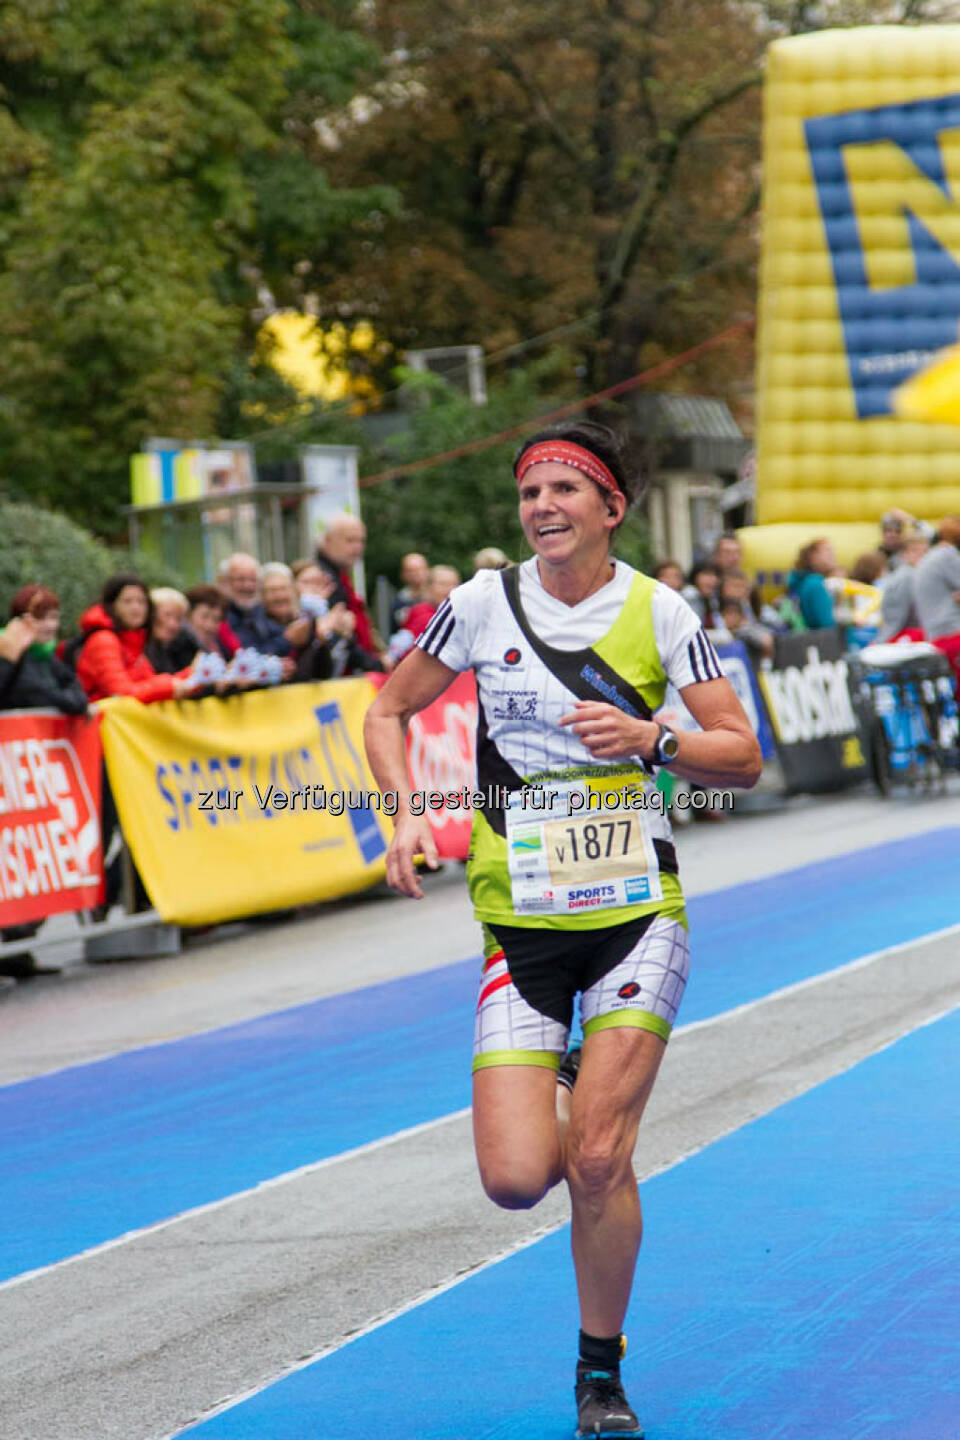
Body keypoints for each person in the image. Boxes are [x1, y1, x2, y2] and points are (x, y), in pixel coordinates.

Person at [364, 420, 761, 1440]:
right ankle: (574, 1067)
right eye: (529, 492)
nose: (542, 506)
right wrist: (406, 812)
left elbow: (741, 754)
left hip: (636, 912)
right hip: (520, 921)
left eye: (563, 491)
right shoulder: (476, 605)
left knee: (596, 1160)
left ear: (610, 508)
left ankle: (599, 1373)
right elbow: (386, 710)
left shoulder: (662, 612)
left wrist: (651, 738)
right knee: (514, 1180)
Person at [75, 574, 194, 703]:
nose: (136, 607)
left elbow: (148, 683)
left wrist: (193, 674)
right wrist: (171, 686)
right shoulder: (104, 640)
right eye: (127, 601)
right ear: (112, 606)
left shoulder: (134, 641)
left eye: (141, 601)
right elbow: (121, 693)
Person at [0, 585, 88, 714]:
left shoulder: (46, 654)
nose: (50, 625)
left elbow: (75, 690)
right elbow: (31, 693)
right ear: (19, 620)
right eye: (39, 617)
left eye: (53, 617)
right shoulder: (8, 652)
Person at [315, 514, 383, 660]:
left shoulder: (338, 574)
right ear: (328, 540)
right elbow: (341, 638)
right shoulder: (324, 578)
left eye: (361, 541)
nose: (358, 548)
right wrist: (373, 664)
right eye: (350, 540)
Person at [220, 553, 293, 659]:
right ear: (225, 581)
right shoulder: (220, 615)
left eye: (253, 580)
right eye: (241, 580)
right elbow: (249, 656)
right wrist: (287, 639)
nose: (247, 586)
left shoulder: (258, 609)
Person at [879, 529, 928, 640]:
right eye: (915, 551)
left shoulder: (918, 575)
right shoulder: (906, 577)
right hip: (902, 634)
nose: (921, 555)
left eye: (925, 551)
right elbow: (897, 618)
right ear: (904, 555)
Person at [786, 538, 837, 630]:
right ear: (813, 556)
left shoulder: (803, 580)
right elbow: (826, 623)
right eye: (827, 551)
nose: (832, 555)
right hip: (820, 640)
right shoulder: (815, 583)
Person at [146, 588, 197, 674]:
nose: (173, 625)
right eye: (167, 615)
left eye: (178, 619)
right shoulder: (140, 650)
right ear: (151, 613)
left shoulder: (173, 649)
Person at [405, 564, 462, 640]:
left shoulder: (463, 614)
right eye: (443, 584)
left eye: (453, 584)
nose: (449, 589)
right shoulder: (420, 614)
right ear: (429, 587)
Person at [184, 585, 240, 659]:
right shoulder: (179, 648)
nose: (209, 625)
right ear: (188, 615)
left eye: (216, 619)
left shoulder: (220, 646)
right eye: (204, 616)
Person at [390, 552, 431, 632]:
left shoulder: (438, 599)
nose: (415, 574)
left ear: (428, 570)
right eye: (410, 570)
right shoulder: (398, 602)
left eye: (419, 569)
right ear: (403, 574)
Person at [681, 561, 722, 629]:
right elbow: (693, 631)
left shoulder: (712, 600)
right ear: (695, 576)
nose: (713, 579)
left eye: (716, 576)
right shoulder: (689, 597)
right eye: (708, 575)